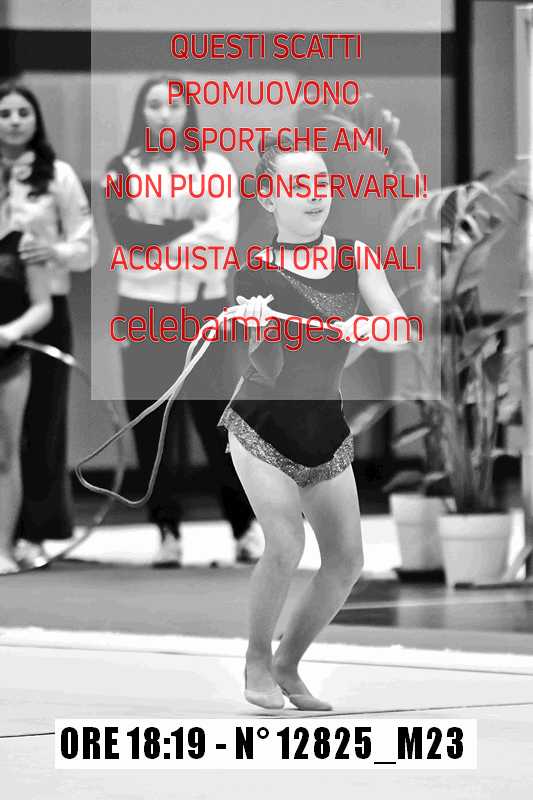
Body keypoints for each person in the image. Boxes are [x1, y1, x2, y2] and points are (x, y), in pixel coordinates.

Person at [218, 134, 410, 710]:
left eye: (322, 182)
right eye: (299, 185)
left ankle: (288, 662)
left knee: (347, 561)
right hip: (261, 424)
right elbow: (264, 362)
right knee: (285, 542)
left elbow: (398, 329)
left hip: (325, 428)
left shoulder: (355, 256)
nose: (315, 194)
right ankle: (256, 659)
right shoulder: (255, 269)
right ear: (269, 198)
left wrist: (370, 328)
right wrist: (257, 324)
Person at [104, 75, 258, 568]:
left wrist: (159, 243)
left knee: (216, 420)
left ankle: (243, 526)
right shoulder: (120, 169)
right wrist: (189, 228)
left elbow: (221, 239)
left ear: (188, 112)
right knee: (150, 423)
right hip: (142, 309)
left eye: (174, 105)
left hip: (203, 308)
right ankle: (166, 530)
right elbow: (127, 238)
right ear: (142, 113)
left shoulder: (215, 166)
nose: (164, 113)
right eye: (154, 105)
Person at [0, 82, 98, 569]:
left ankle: (34, 534)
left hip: (44, 308)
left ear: (36, 118)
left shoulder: (57, 175)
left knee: (41, 423)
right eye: (5, 113)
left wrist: (52, 251)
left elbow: (87, 247)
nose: (15, 121)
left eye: (23, 112)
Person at [0, 231, 52, 573]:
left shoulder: (24, 243)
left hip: (10, 362)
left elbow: (42, 306)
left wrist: (13, 330)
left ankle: (3, 548)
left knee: (5, 454)